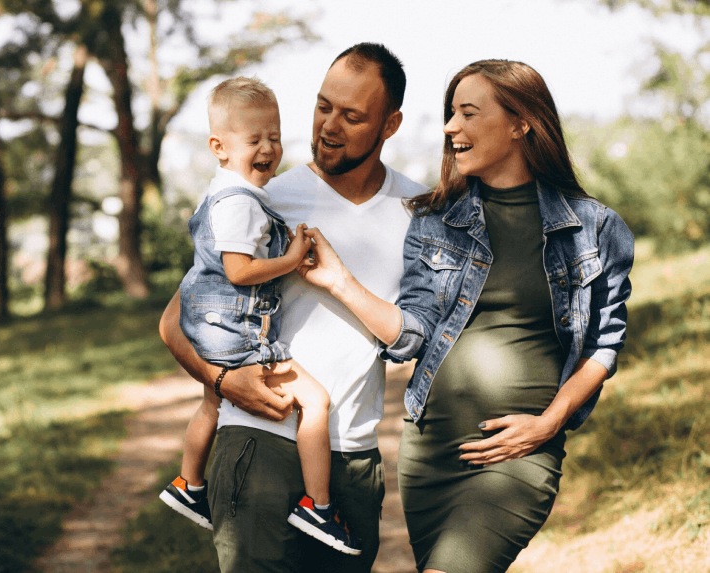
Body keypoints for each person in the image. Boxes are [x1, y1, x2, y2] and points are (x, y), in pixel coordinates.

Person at [298, 59, 634, 573]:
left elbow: (603, 345)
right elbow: (412, 334)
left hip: (518, 455)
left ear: (521, 124)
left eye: (469, 113)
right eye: (451, 113)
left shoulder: (594, 228)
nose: (450, 127)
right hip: (430, 454)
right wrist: (341, 283)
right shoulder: (434, 220)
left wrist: (549, 423)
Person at [159, 43, 428, 573]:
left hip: (353, 459)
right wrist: (222, 381)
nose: (329, 126)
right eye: (323, 106)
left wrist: (343, 283)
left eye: (352, 116)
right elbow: (175, 322)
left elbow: (415, 336)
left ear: (390, 124)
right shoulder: (262, 198)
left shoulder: (419, 211)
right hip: (258, 443)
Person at [158, 76, 360, 556]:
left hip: (209, 329)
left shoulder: (222, 193)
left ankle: (188, 483)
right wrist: (290, 260)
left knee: (212, 403)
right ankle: (318, 505)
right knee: (316, 401)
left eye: (275, 136)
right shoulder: (241, 204)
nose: (268, 148)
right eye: (254, 140)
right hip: (236, 335)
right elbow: (239, 270)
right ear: (219, 147)